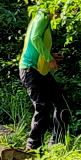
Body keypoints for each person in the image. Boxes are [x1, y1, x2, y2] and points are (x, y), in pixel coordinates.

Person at [19, 8, 71, 149]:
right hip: (30, 70)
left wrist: (51, 55)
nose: (61, 17)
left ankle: (57, 143)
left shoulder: (46, 21)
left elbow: (36, 46)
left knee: (62, 103)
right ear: (54, 9)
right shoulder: (41, 17)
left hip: (40, 71)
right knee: (42, 107)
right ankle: (32, 146)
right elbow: (34, 38)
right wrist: (49, 59)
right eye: (61, 13)